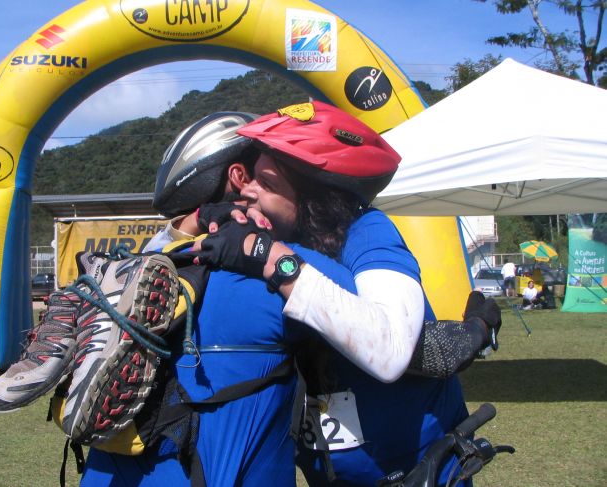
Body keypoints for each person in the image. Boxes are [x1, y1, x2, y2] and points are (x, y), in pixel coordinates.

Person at [192, 101, 476, 486]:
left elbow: (390, 349)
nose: (249, 191)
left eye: (268, 183)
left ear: (312, 200)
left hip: (421, 470)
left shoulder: (369, 232)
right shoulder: (272, 230)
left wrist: (267, 255)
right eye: (252, 178)